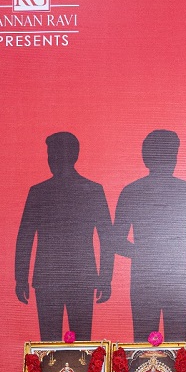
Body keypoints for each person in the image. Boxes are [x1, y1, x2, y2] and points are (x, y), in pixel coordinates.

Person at [15, 132, 114, 341]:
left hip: (52, 279)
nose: (51, 159)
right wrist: (105, 279)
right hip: (77, 278)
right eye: (50, 154)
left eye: (53, 154)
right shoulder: (92, 190)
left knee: (54, 346)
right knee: (74, 346)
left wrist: (21, 279)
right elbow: (106, 239)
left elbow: (25, 238)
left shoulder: (40, 192)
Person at [114, 130, 186, 342]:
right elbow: (115, 241)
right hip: (148, 279)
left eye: (170, 153)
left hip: (176, 279)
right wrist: (146, 253)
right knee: (145, 343)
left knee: (176, 343)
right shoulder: (133, 192)